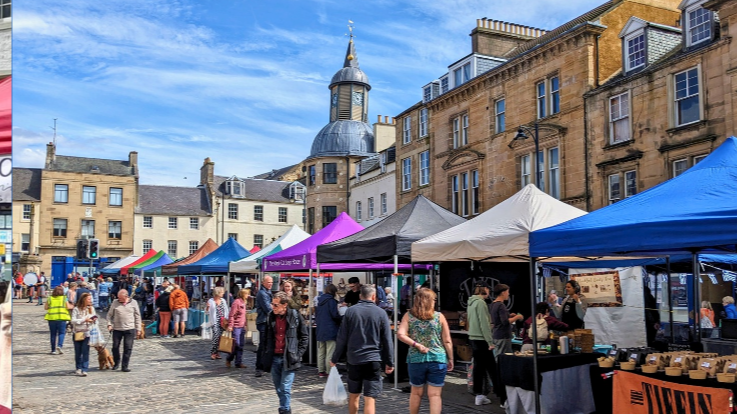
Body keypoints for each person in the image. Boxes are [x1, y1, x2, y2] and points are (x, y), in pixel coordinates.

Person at [331, 285, 394, 414]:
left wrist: (335, 358)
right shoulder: (381, 313)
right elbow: (387, 340)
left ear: (360, 296)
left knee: (354, 395)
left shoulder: (350, 312)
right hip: (373, 360)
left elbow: (342, 337)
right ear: (374, 296)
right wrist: (390, 361)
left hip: (354, 359)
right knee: (370, 397)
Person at [397, 288, 453, 414]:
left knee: (416, 393)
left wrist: (416, 345)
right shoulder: (439, 317)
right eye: (434, 299)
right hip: (437, 358)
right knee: (434, 395)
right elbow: (447, 340)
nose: (435, 302)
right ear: (429, 301)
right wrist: (451, 358)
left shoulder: (409, 316)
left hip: (416, 359)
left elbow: (401, 334)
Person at [262, 291, 309, 414]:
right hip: (274, 357)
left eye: (276, 305)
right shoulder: (270, 316)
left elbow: (304, 337)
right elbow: (266, 337)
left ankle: (285, 410)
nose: (273, 307)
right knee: (278, 389)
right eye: (272, 304)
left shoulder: (295, 316)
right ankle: (285, 407)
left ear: (285, 305)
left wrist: (298, 355)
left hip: (289, 357)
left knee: (285, 387)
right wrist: (264, 353)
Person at [467, 282, 495, 406]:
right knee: (492, 368)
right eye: (488, 289)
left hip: (473, 337)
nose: (489, 292)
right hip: (481, 339)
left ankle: (479, 394)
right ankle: (502, 396)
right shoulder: (481, 303)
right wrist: (490, 341)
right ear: (484, 289)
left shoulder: (471, 303)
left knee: (479, 368)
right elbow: (484, 324)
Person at [107, 290, 141, 372]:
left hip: (129, 329)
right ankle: (116, 362)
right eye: (118, 297)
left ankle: (124, 366)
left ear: (126, 297)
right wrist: (109, 324)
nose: (118, 299)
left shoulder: (133, 303)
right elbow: (109, 315)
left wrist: (138, 328)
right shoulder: (115, 302)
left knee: (127, 347)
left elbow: (137, 316)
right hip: (117, 329)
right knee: (115, 347)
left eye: (120, 298)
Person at [315, 284, 342, 378]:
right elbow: (335, 315)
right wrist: (341, 318)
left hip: (320, 329)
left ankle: (321, 370)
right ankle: (329, 371)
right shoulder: (332, 302)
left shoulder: (319, 301)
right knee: (330, 351)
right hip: (330, 329)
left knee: (321, 351)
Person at [490, 284, 523, 358]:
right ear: (503, 292)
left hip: (496, 335)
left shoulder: (493, 304)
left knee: (498, 356)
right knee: (504, 359)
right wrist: (517, 317)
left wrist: (509, 315)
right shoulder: (501, 305)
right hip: (503, 336)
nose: (508, 294)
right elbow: (505, 322)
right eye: (507, 292)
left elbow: (497, 318)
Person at [71, 292, 97, 376]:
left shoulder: (91, 308)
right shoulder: (76, 309)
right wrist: (83, 320)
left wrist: (93, 320)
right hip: (78, 332)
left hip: (87, 333)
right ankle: (78, 367)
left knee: (85, 351)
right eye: (89, 299)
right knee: (78, 351)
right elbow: (73, 320)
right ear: (84, 299)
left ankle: (84, 368)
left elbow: (95, 318)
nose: (90, 301)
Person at [255, 275, 274, 377]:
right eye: (268, 282)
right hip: (263, 322)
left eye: (271, 282)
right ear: (263, 283)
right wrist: (273, 306)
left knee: (267, 345)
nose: (270, 284)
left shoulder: (268, 292)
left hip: (267, 322)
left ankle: (265, 365)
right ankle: (259, 367)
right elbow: (269, 309)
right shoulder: (262, 293)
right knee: (262, 345)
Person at [44, 286, 72, 355]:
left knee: (53, 334)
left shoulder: (50, 298)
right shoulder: (64, 298)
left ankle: (53, 350)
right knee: (61, 333)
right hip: (61, 318)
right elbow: (68, 306)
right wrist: (73, 306)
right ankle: (59, 345)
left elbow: (46, 307)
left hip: (52, 318)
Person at [226, 288, 249, 368]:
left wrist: (245, 325)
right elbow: (231, 315)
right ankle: (229, 358)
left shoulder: (244, 303)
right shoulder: (237, 302)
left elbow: (243, 316)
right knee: (236, 345)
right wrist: (230, 325)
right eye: (246, 294)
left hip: (242, 327)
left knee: (241, 345)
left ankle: (238, 362)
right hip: (236, 327)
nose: (248, 295)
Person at [206, 287, 230, 360]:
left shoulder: (223, 301)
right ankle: (213, 352)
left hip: (223, 321)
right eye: (222, 292)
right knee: (216, 337)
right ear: (218, 293)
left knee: (220, 338)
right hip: (215, 321)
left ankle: (217, 352)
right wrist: (207, 308)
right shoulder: (211, 301)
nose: (223, 293)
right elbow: (207, 312)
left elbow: (226, 310)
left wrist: (227, 319)